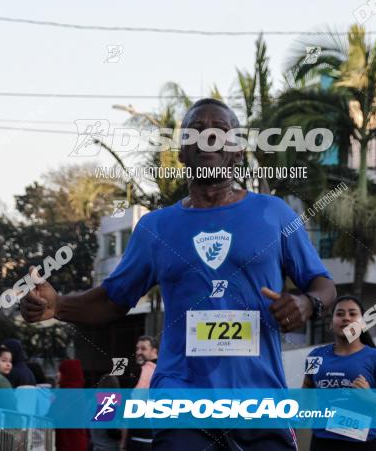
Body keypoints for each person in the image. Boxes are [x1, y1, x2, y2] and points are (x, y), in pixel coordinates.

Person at [21, 98, 336, 450]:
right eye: (196, 133)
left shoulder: (273, 214)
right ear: (182, 153)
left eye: (220, 133)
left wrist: (307, 303)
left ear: (237, 151)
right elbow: (113, 300)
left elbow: (323, 285)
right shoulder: (156, 228)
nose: (208, 141)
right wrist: (58, 306)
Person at [302, 295, 376, 450]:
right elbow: (306, 390)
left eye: (352, 314)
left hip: (361, 443)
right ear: (331, 324)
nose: (346, 318)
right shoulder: (315, 356)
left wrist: (370, 396)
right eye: (339, 314)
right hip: (322, 442)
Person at [121, 335, 158, 451]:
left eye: (143, 349)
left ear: (154, 351)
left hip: (139, 439)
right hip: (158, 438)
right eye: (137, 349)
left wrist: (122, 443)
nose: (138, 352)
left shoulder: (142, 371)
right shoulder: (164, 371)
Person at [56, 359, 89, 451]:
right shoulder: (78, 391)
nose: (57, 374)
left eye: (60, 371)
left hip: (68, 444)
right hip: (77, 442)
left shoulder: (67, 393)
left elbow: (55, 416)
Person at [91, 376, 123, 451]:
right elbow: (111, 431)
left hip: (96, 446)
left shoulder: (93, 403)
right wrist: (123, 432)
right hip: (108, 447)